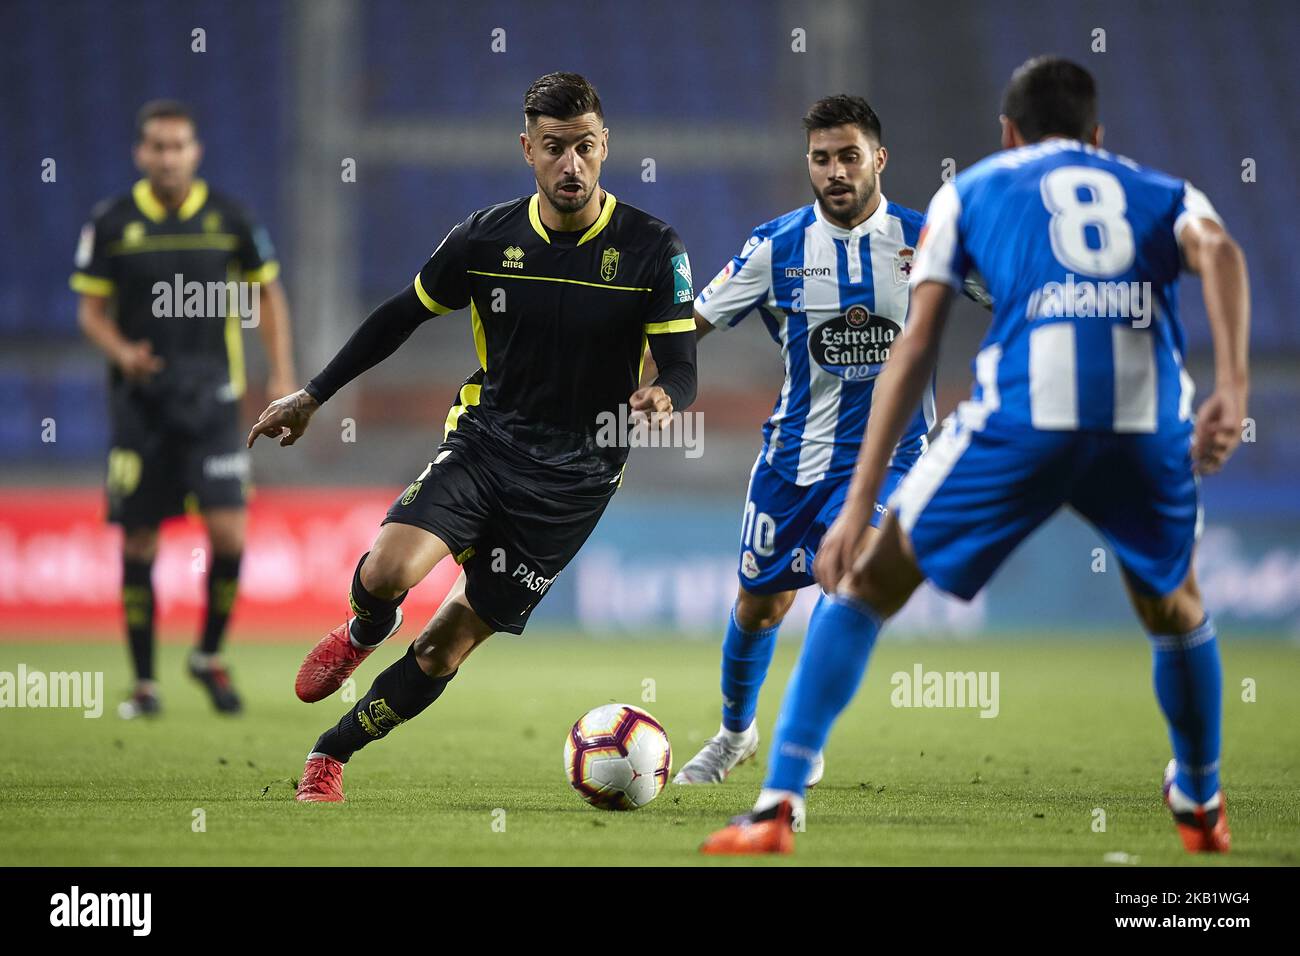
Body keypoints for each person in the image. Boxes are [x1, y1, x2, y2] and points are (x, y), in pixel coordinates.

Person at [702, 56, 1247, 855]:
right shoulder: (1161, 190)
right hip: (1142, 420)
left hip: (1021, 418)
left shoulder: (970, 193)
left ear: (1007, 131)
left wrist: (858, 507)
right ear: (1098, 135)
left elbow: (917, 345)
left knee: (860, 585)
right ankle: (1199, 795)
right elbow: (1222, 252)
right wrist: (1231, 388)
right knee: (1176, 609)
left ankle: (776, 804)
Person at [247, 72, 698, 803]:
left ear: (606, 146)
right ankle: (364, 630)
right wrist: (313, 395)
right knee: (388, 572)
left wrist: (663, 395)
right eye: (555, 148)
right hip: (486, 443)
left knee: (443, 646)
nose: (571, 165)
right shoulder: (486, 237)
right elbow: (400, 315)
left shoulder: (651, 248)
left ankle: (330, 753)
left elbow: (681, 365)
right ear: (528, 149)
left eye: (585, 147)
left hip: (574, 483)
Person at [676, 95, 986, 787]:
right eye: (822, 159)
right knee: (760, 604)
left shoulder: (929, 239)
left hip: (891, 463)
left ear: (879, 158)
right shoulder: (775, 246)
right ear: (809, 165)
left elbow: (1015, 296)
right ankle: (735, 734)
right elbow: (685, 329)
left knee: (844, 582)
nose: (836, 171)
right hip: (790, 461)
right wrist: (656, 384)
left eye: (849, 156)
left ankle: (801, 737)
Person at [72, 99, 295, 718]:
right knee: (140, 540)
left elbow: (267, 297)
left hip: (214, 405)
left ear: (194, 152)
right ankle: (145, 683)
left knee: (229, 532)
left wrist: (281, 376)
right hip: (140, 407)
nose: (168, 157)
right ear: (140, 154)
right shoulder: (112, 222)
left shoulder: (229, 217)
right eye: (157, 147)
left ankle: (208, 654)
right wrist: (122, 351)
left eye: (178, 146)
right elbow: (90, 311)